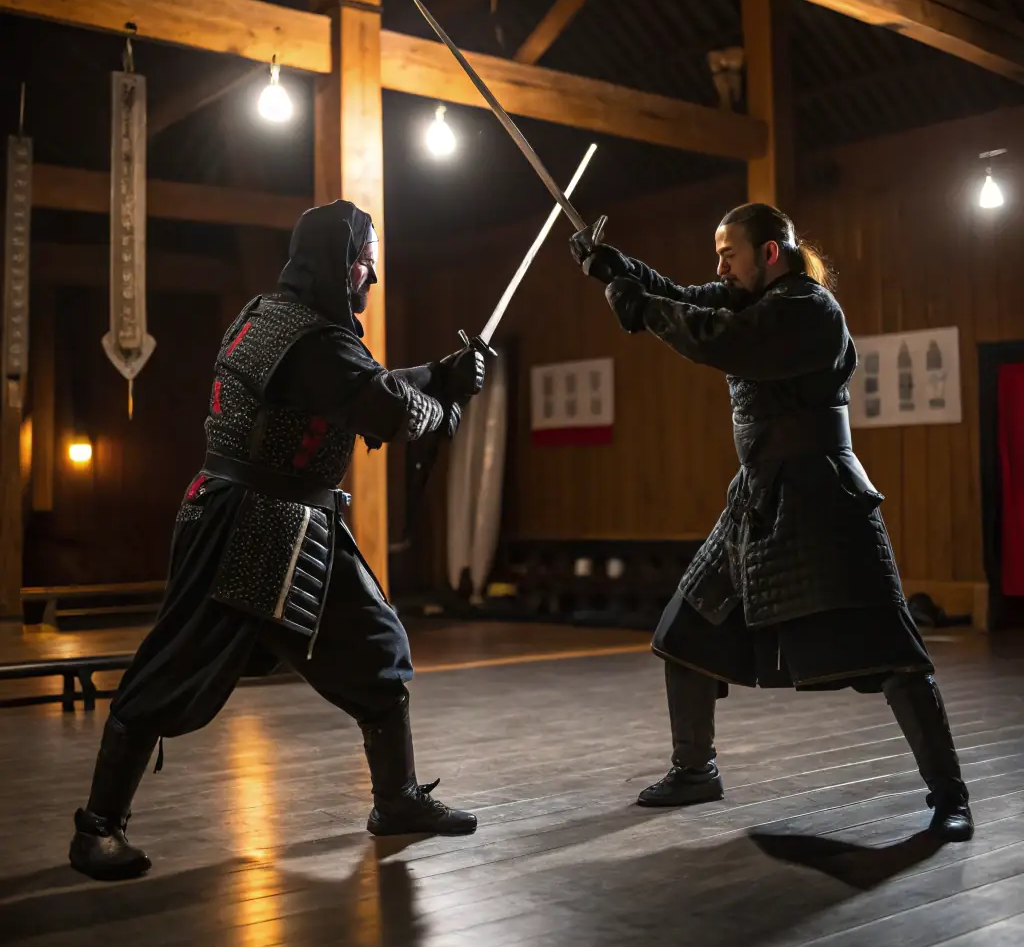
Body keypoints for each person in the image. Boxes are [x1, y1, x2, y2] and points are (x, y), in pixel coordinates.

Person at [70, 199, 486, 881]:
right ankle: (97, 827)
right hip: (245, 527)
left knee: (379, 647)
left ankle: (397, 800)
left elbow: (360, 386)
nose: (369, 281)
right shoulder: (317, 341)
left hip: (291, 520)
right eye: (364, 265)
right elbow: (382, 406)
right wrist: (449, 397)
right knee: (170, 670)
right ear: (340, 262)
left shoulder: (271, 316)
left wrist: (438, 374)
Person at [571, 202, 972, 841]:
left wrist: (641, 307)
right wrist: (617, 271)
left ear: (770, 254)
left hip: (823, 494)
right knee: (685, 629)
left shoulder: (808, 310)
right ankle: (694, 770)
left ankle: (951, 797)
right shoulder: (751, 296)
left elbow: (720, 339)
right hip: (758, 492)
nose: (720, 267)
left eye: (729, 254)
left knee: (893, 652)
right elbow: (688, 298)